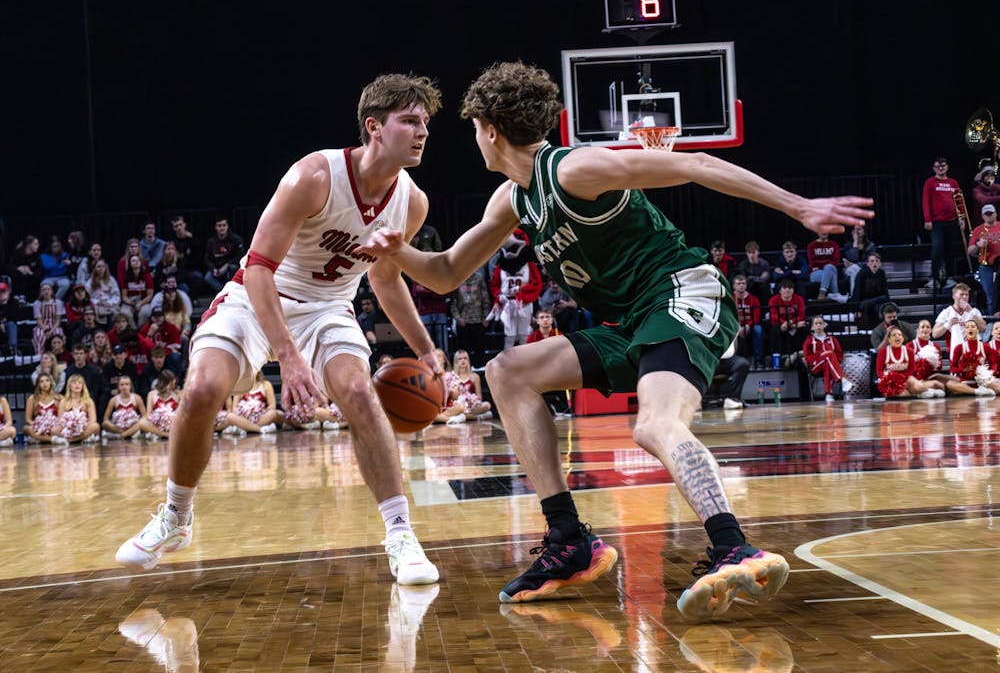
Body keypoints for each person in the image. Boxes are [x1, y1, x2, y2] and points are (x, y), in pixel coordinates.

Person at [358, 60, 872, 619]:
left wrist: (801, 207)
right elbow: (446, 272)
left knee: (654, 424)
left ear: (488, 129)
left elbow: (696, 164)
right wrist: (396, 251)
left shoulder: (575, 168)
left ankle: (734, 546)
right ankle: (569, 541)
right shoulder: (512, 199)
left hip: (681, 293)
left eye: (471, 128)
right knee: (508, 371)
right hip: (628, 322)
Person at [115, 72, 445, 587]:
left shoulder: (413, 202)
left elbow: (384, 277)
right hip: (258, 293)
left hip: (328, 307)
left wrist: (425, 348)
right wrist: (288, 358)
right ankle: (176, 517)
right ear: (374, 127)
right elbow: (260, 267)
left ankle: (401, 535)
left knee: (360, 392)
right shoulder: (314, 176)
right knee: (201, 389)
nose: (422, 130)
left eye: (425, 121)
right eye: (410, 120)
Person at [488, 229, 544, 345]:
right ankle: (510, 362)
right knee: (509, 336)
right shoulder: (500, 266)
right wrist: (499, 295)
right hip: (507, 304)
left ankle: (526, 361)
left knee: (524, 335)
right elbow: (494, 285)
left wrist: (522, 294)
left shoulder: (529, 265)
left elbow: (537, 285)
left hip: (524, 304)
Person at [922, 156, 965, 288]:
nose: (941, 168)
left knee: (951, 251)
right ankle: (934, 277)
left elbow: (959, 200)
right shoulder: (930, 182)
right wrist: (927, 219)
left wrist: (962, 218)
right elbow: (925, 201)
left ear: (947, 167)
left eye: (943, 166)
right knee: (937, 249)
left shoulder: (953, 183)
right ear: (934, 168)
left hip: (952, 222)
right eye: (938, 166)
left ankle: (949, 277)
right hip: (937, 223)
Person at [876, 327, 946, 399]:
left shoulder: (909, 351)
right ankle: (919, 394)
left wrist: (901, 378)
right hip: (890, 381)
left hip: (906, 377)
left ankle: (921, 391)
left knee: (919, 387)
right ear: (889, 339)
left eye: (899, 335)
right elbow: (879, 371)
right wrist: (889, 379)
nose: (897, 337)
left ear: (902, 338)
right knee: (903, 395)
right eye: (894, 335)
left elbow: (911, 369)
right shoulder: (883, 352)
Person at [909, 318, 972, 396]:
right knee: (939, 385)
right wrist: (922, 365)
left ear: (930, 330)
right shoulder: (910, 345)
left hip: (932, 375)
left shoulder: (935, 346)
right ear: (918, 330)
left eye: (927, 327)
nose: (925, 329)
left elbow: (939, 367)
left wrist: (932, 365)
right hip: (916, 377)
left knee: (957, 380)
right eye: (922, 327)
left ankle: (971, 391)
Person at [802, 316, 853, 402]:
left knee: (827, 364)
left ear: (824, 325)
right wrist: (822, 355)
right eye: (816, 323)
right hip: (815, 366)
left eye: (820, 323)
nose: (818, 325)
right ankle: (842, 379)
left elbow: (839, 354)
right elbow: (808, 358)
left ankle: (828, 395)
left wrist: (831, 359)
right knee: (829, 354)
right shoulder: (809, 340)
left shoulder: (832, 339)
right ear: (812, 326)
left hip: (830, 366)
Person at [449, 269, 493, 368]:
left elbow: (485, 298)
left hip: (478, 319)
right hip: (463, 320)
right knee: (464, 347)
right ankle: (465, 368)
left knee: (479, 346)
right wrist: (457, 318)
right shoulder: (457, 280)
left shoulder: (479, 278)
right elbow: (453, 302)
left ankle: (479, 367)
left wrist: (486, 317)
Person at [949, 319, 1000, 396]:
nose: (970, 328)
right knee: (949, 384)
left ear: (978, 330)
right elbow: (952, 368)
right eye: (967, 327)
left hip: (981, 381)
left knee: (997, 384)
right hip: (965, 381)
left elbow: (993, 364)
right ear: (965, 331)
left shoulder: (986, 347)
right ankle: (976, 391)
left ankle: (975, 390)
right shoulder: (959, 348)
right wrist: (963, 369)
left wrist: (987, 373)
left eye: (973, 326)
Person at [932, 282, 985, 354]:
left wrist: (971, 312)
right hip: (955, 350)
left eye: (966, 294)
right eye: (961, 294)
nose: (964, 297)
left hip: (974, 349)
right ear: (954, 296)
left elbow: (983, 328)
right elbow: (934, 334)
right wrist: (948, 324)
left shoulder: (974, 311)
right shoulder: (946, 312)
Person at [968, 204, 1000, 318]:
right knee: (991, 296)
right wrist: (978, 244)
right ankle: (994, 327)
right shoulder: (978, 230)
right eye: (987, 214)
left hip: (999, 264)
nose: (990, 216)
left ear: (996, 213)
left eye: (991, 213)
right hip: (986, 266)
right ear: (983, 216)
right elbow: (970, 251)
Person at [767, 279, 808, 362]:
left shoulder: (799, 299)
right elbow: (774, 315)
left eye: (790, 288)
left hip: (794, 322)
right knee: (775, 330)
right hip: (780, 323)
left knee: (805, 327)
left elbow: (801, 315)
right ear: (780, 291)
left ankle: (804, 354)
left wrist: (790, 323)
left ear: (793, 290)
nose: (787, 290)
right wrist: (784, 323)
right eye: (784, 288)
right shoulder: (773, 300)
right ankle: (780, 356)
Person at [202, 216, 245, 295]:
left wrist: (227, 265)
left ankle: (231, 292)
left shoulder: (235, 239)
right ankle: (225, 293)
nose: (222, 228)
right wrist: (213, 268)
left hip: (231, 267)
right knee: (207, 278)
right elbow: (206, 259)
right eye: (219, 226)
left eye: (224, 225)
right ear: (215, 227)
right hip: (217, 268)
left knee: (232, 268)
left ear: (227, 226)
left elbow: (240, 256)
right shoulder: (211, 241)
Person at [54, 373, 100, 444]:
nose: (77, 385)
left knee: (96, 426)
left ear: (83, 386)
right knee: (54, 430)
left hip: (83, 429)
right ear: (69, 385)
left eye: (79, 383)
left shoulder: (88, 401)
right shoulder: (63, 401)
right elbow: (60, 420)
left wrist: (81, 426)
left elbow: (93, 419)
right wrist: (70, 427)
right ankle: (81, 439)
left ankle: (70, 440)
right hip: (68, 428)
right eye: (74, 383)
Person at [848, 252, 889, 329]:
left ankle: (882, 330)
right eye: (872, 261)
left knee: (879, 307)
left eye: (877, 261)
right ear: (867, 264)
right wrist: (856, 309)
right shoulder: (862, 274)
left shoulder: (881, 273)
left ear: (880, 264)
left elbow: (885, 292)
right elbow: (857, 291)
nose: (875, 263)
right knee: (868, 305)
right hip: (865, 301)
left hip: (877, 301)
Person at [730, 274, 763, 369]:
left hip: (750, 325)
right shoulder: (730, 298)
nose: (741, 285)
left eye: (743, 283)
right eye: (738, 283)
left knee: (758, 330)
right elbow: (729, 315)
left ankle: (758, 361)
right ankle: (733, 361)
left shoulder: (753, 299)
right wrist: (737, 326)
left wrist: (748, 326)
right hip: (735, 325)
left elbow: (756, 316)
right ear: (734, 286)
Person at [140, 369, 183, 439]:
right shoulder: (151, 394)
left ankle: (169, 434)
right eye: (172, 383)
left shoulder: (177, 394)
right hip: (156, 425)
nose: (174, 386)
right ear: (165, 382)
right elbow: (148, 414)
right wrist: (158, 419)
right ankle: (165, 435)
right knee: (142, 422)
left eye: (174, 383)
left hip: (172, 425)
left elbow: (180, 414)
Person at [169, 213, 204, 296]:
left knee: (198, 276)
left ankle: (194, 299)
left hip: (191, 269)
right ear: (173, 228)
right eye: (176, 226)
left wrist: (189, 239)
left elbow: (198, 257)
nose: (179, 228)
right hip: (177, 271)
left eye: (180, 225)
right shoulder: (172, 241)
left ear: (184, 224)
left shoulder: (193, 239)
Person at [102, 374, 146, 440]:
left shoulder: (137, 398)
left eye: (127, 384)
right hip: (119, 427)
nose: (124, 387)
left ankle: (121, 436)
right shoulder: (113, 400)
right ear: (118, 387)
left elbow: (145, 416)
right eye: (122, 385)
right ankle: (128, 434)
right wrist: (115, 427)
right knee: (104, 424)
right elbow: (106, 419)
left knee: (142, 423)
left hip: (133, 425)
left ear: (130, 386)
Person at [805, 232, 845, 302]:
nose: (824, 232)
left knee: (829, 267)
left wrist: (822, 266)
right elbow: (812, 262)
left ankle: (822, 294)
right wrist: (826, 264)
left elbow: (836, 261)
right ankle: (835, 294)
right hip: (815, 273)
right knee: (830, 273)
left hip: (829, 269)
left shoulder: (833, 244)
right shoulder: (812, 245)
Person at [23, 372, 62, 444]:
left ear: (51, 383)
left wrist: (51, 424)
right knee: (26, 429)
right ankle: (52, 439)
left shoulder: (58, 398)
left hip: (54, 426)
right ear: (38, 385)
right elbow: (28, 420)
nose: (45, 383)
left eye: (47, 380)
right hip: (38, 426)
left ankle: (40, 439)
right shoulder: (32, 398)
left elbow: (61, 418)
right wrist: (38, 424)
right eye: (42, 381)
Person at [840, 224, 877, 296]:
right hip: (848, 270)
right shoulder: (848, 245)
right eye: (855, 230)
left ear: (864, 232)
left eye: (859, 229)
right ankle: (855, 296)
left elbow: (870, 262)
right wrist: (855, 243)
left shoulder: (870, 245)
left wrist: (855, 264)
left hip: (865, 269)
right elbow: (853, 258)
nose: (857, 232)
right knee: (853, 269)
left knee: (854, 268)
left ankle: (853, 296)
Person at [85, 258, 122, 328]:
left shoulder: (111, 280)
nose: (101, 268)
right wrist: (97, 302)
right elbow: (87, 296)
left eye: (103, 266)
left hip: (110, 305)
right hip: (97, 305)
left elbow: (117, 295)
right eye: (99, 267)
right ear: (95, 268)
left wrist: (109, 303)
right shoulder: (90, 281)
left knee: (114, 314)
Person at [31, 282, 65, 356]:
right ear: (41, 292)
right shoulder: (37, 303)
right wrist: (45, 330)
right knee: (38, 335)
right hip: (42, 325)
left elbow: (58, 320)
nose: (46, 291)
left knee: (58, 334)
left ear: (52, 291)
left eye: (48, 289)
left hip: (54, 325)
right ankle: (39, 356)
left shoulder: (58, 302)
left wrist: (51, 331)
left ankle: (58, 354)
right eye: (44, 289)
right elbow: (39, 320)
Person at [39, 234, 72, 300]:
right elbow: (47, 267)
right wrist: (59, 266)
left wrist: (57, 266)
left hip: (63, 277)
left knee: (65, 284)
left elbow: (63, 269)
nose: (56, 248)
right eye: (54, 246)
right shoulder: (44, 256)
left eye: (58, 246)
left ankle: (55, 301)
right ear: (50, 247)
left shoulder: (65, 254)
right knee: (45, 285)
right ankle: (45, 302)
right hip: (49, 277)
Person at [0, 281, 19, 353]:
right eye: (0, 292)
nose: (1, 294)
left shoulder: (13, 302)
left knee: (11, 324)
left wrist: (5, 303)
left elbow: (14, 317)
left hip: (10, 326)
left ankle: (13, 350)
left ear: (8, 292)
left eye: (3, 291)